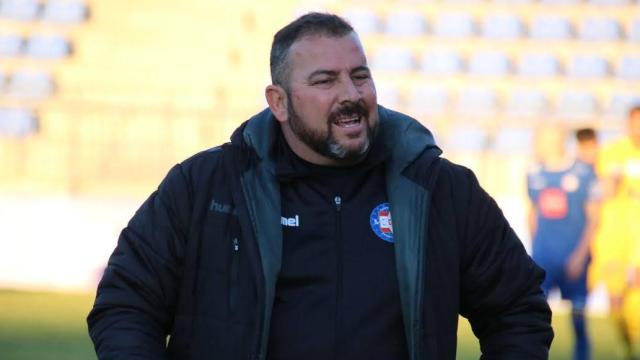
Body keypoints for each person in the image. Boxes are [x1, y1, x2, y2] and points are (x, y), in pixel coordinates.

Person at [87, 12, 553, 359]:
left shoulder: (441, 190)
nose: (350, 94)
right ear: (280, 102)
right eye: (325, 80)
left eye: (360, 75)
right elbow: (127, 302)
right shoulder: (204, 187)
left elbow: (517, 309)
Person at [527, 124, 600, 360]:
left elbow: (593, 218)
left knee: (578, 319)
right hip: (543, 259)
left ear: (557, 141)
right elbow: (533, 212)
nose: (535, 144)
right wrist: (535, 249)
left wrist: (580, 255)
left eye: (540, 139)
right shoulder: (534, 174)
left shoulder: (584, 173)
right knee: (533, 318)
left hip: (574, 260)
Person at [590, 105, 640, 359]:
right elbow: (604, 192)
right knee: (615, 296)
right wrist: (614, 180)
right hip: (615, 237)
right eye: (635, 123)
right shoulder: (613, 153)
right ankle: (625, 347)